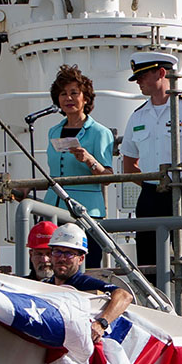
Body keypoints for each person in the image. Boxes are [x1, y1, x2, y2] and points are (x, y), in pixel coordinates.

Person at [120, 51, 182, 320]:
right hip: (152, 193)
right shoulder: (138, 116)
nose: (138, 82)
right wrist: (150, 185)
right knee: (148, 262)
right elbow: (129, 163)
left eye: (142, 76)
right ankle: (153, 317)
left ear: (161, 73)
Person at [43, 64, 114, 269]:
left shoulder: (100, 132)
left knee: (86, 268)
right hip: (53, 208)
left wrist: (89, 160)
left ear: (85, 98)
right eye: (63, 93)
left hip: (85, 211)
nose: (68, 98)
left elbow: (108, 176)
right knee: (52, 266)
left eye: (74, 93)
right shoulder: (53, 131)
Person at [46, 223, 133, 343]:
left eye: (69, 254)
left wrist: (102, 323)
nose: (62, 258)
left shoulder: (84, 283)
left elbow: (124, 296)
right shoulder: (44, 285)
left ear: (81, 259)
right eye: (57, 252)